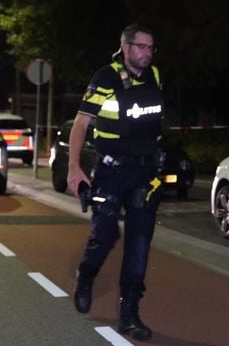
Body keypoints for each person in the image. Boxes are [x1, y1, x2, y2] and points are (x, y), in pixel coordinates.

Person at [67, 23, 163, 341]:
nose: (146, 53)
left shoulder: (155, 77)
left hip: (143, 175)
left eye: (150, 48)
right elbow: (81, 123)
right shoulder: (106, 77)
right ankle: (86, 275)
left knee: (139, 246)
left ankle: (129, 314)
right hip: (110, 172)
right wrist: (74, 168)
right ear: (126, 47)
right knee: (105, 236)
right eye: (140, 47)